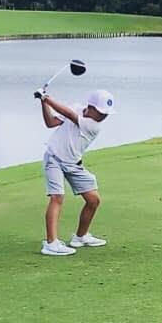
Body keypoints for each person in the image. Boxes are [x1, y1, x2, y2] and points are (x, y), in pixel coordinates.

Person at [34, 87, 116, 256]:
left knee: (93, 200)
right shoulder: (77, 108)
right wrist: (44, 102)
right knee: (57, 197)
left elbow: (70, 115)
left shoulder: (94, 126)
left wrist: (46, 98)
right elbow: (50, 122)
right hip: (54, 158)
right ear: (90, 107)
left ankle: (80, 237)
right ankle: (51, 243)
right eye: (101, 112)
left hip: (73, 164)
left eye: (106, 113)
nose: (104, 116)